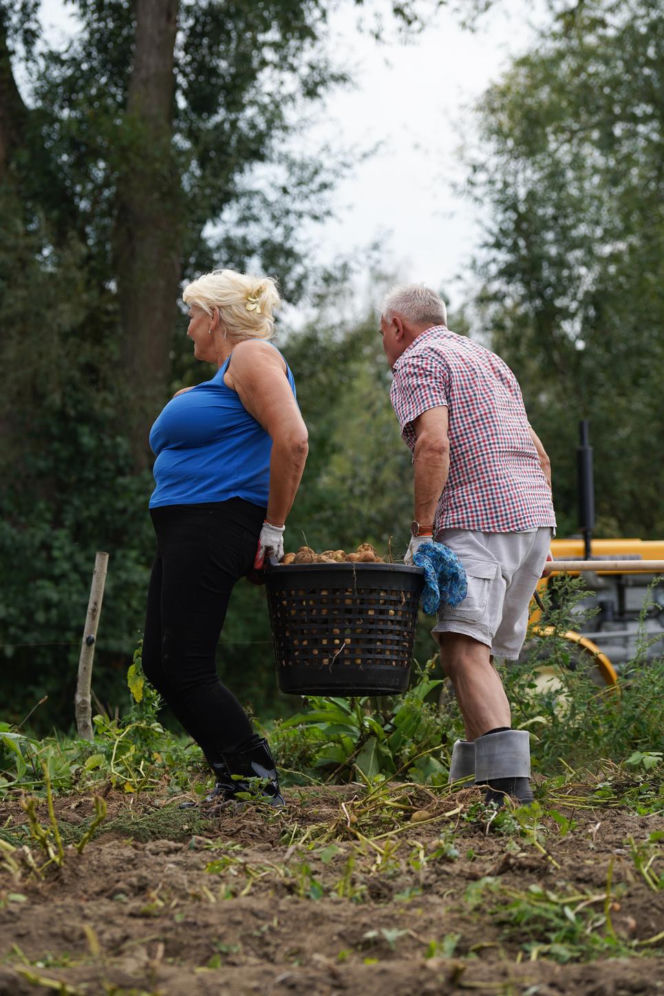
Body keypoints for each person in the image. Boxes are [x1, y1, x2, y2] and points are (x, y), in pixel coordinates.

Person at [380, 284, 555, 805]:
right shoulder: (488, 358)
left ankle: (508, 790)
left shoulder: (418, 359)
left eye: (382, 335)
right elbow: (540, 455)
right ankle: (474, 786)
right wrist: (543, 532)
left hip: (479, 522)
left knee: (462, 650)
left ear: (396, 325)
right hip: (532, 519)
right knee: (476, 656)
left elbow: (434, 442)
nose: (385, 345)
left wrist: (424, 533)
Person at [142, 268, 308, 807]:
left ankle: (254, 780)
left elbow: (294, 440)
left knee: (187, 665)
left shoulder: (254, 356)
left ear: (214, 317)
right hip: (186, 527)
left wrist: (274, 529)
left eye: (192, 316)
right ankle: (234, 778)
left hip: (217, 522)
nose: (188, 329)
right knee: (160, 664)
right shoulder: (226, 374)